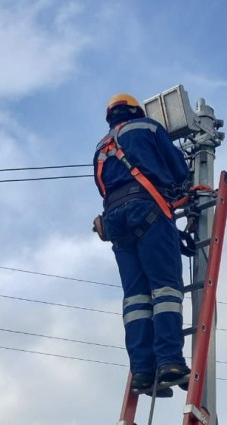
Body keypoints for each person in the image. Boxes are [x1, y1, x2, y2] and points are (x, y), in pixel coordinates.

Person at [93, 93, 192, 398]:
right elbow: (178, 169)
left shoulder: (100, 148)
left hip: (115, 222)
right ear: (136, 111)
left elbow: (102, 187)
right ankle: (169, 361)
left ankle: (142, 370)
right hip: (147, 209)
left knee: (135, 298)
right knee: (165, 289)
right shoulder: (148, 128)